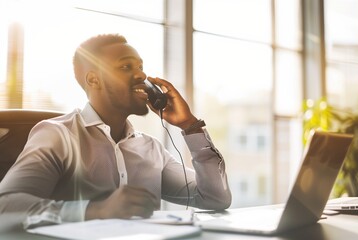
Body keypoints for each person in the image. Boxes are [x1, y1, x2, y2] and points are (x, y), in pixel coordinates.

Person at [0, 33, 231, 230]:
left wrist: (190, 125)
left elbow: (215, 198)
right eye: (125, 66)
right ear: (94, 79)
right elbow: (5, 208)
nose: (141, 75)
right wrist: (96, 210)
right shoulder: (57, 135)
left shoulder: (150, 149)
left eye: (140, 67)